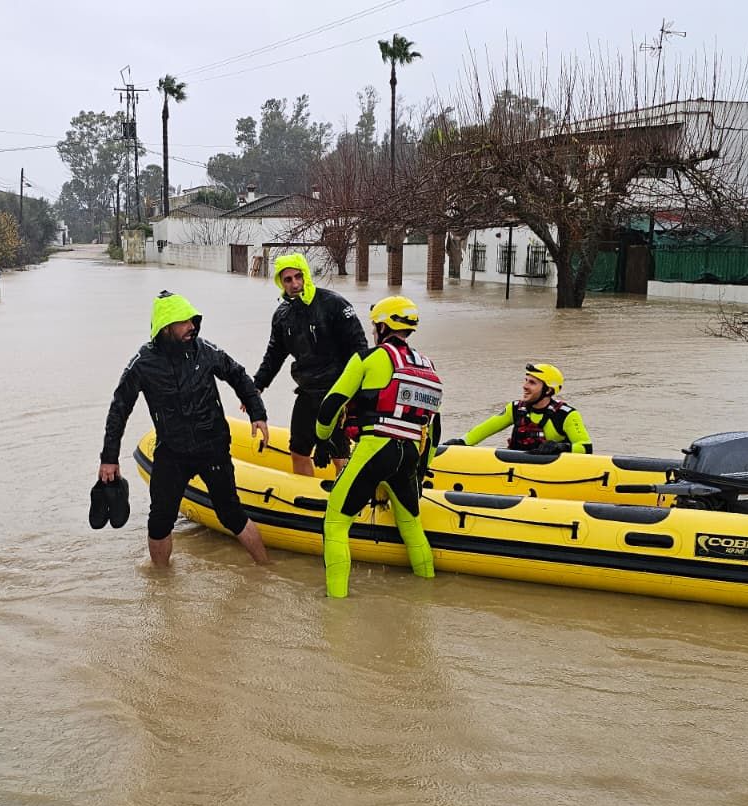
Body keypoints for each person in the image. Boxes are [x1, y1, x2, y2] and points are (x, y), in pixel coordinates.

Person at [100, 291, 271, 566]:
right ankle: (161, 582)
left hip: (212, 446)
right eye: (184, 322)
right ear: (166, 326)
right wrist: (109, 458)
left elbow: (237, 375)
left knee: (232, 514)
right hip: (172, 451)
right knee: (160, 521)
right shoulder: (143, 363)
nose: (192, 326)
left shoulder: (205, 350)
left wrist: (257, 413)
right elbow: (119, 409)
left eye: (193, 320)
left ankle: (265, 568)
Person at [314, 296, 441, 599]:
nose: (373, 331)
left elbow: (331, 404)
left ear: (383, 326)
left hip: (375, 448)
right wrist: (423, 468)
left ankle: (336, 605)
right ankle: (427, 594)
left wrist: (322, 439)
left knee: (335, 523)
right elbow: (434, 430)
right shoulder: (428, 368)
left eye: (375, 326)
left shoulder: (368, 359)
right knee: (411, 525)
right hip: (409, 454)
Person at [253, 252, 368, 475]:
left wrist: (357, 391)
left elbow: (359, 347)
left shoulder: (333, 303)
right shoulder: (282, 315)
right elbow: (274, 354)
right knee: (298, 450)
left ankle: (346, 492)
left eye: (298, 277)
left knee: (339, 453)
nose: (295, 284)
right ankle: (304, 493)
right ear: (281, 283)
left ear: (306, 276)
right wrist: (257, 386)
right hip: (307, 391)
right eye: (288, 279)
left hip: (338, 390)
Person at [445, 362, 593, 454]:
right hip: (517, 470)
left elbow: (586, 447)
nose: (525, 386)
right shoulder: (515, 408)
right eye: (526, 380)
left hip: (549, 474)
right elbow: (484, 429)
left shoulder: (567, 415)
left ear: (548, 390)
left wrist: (560, 447)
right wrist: (461, 442)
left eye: (532, 383)